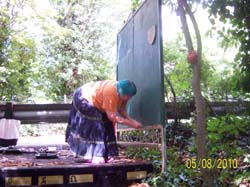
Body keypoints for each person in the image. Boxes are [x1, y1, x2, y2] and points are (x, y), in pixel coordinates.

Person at [65, 79, 142, 164]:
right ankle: (94, 156)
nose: (129, 98)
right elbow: (112, 117)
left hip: (97, 100)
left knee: (106, 122)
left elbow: (121, 109)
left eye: (130, 96)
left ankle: (109, 154)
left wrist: (131, 120)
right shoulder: (111, 93)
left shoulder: (123, 95)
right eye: (128, 96)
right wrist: (132, 124)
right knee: (96, 124)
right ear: (121, 92)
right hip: (84, 97)